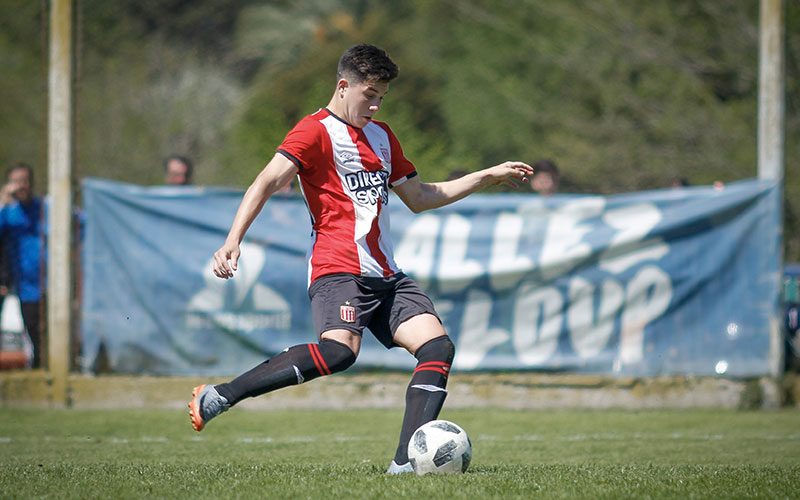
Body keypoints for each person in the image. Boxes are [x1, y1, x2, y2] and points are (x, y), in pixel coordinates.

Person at [187, 43, 534, 474]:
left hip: (386, 274)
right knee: (339, 353)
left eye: (381, 97)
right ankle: (220, 395)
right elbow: (266, 181)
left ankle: (404, 464)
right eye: (369, 94)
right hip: (338, 269)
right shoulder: (313, 131)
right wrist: (233, 239)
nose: (375, 105)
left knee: (437, 347)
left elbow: (420, 197)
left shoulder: (383, 136)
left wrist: (487, 176)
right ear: (342, 86)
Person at [0, 163, 46, 369]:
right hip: (26, 288)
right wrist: (2, 202)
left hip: (52, 284)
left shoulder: (44, 208)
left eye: (24, 181)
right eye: (15, 181)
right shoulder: (8, 212)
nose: (20, 186)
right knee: (33, 332)